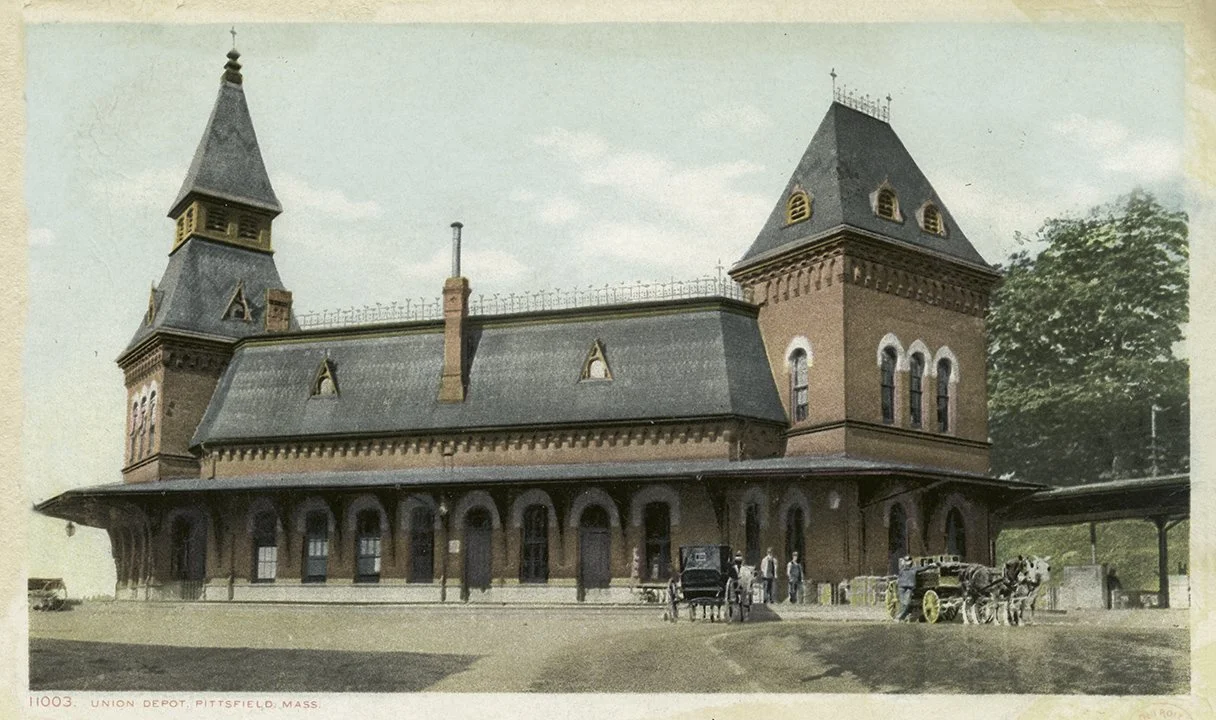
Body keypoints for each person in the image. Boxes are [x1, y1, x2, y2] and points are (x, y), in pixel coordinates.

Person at [894, 556, 918, 622]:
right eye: (906, 562)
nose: (908, 563)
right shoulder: (901, 570)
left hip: (909, 588)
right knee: (902, 603)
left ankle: (899, 617)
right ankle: (903, 617)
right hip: (901, 587)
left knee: (906, 603)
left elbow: (923, 568)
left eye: (909, 562)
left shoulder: (914, 569)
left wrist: (931, 565)